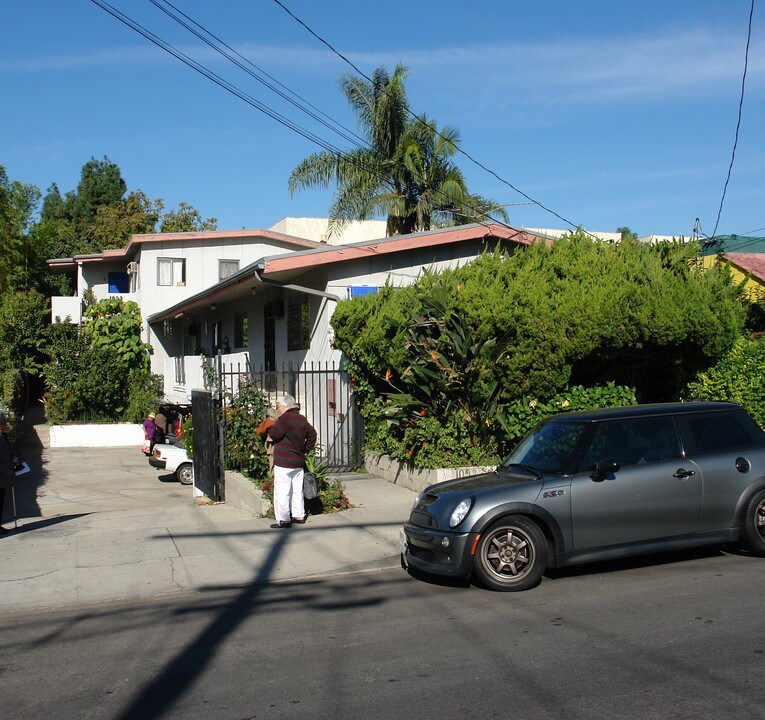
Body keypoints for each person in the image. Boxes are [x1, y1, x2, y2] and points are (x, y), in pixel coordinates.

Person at [267, 395, 316, 529]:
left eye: (279, 408)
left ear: (286, 407)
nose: (278, 411)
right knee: (297, 490)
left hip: (284, 462)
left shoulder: (284, 420)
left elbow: (274, 434)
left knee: (282, 491)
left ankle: (283, 520)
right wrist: (305, 449)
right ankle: (299, 515)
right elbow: (313, 435)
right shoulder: (302, 419)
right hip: (298, 462)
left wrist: (270, 427)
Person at [0, 413, 16, 533]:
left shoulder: (3, 436)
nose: (6, 425)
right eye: (4, 423)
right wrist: (5, 469)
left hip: (4, 476)